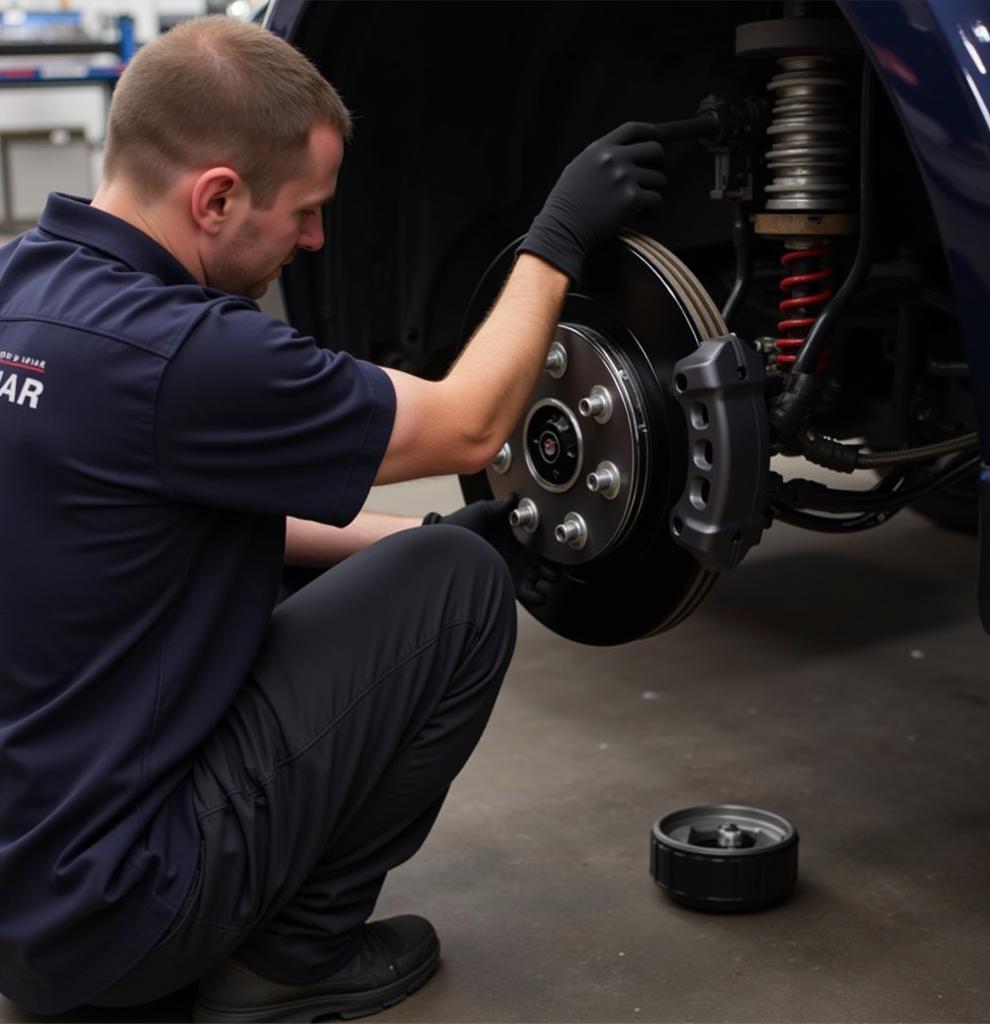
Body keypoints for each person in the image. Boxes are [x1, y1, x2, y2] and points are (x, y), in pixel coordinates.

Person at [0, 15, 666, 1022]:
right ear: (216, 196)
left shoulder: (22, 289)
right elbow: (469, 426)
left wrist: (401, 543)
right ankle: (285, 966)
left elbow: (159, 525)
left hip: (26, 897)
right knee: (466, 591)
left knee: (432, 565)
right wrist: (557, 237)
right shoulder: (191, 355)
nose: (315, 240)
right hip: (120, 922)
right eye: (307, 212)